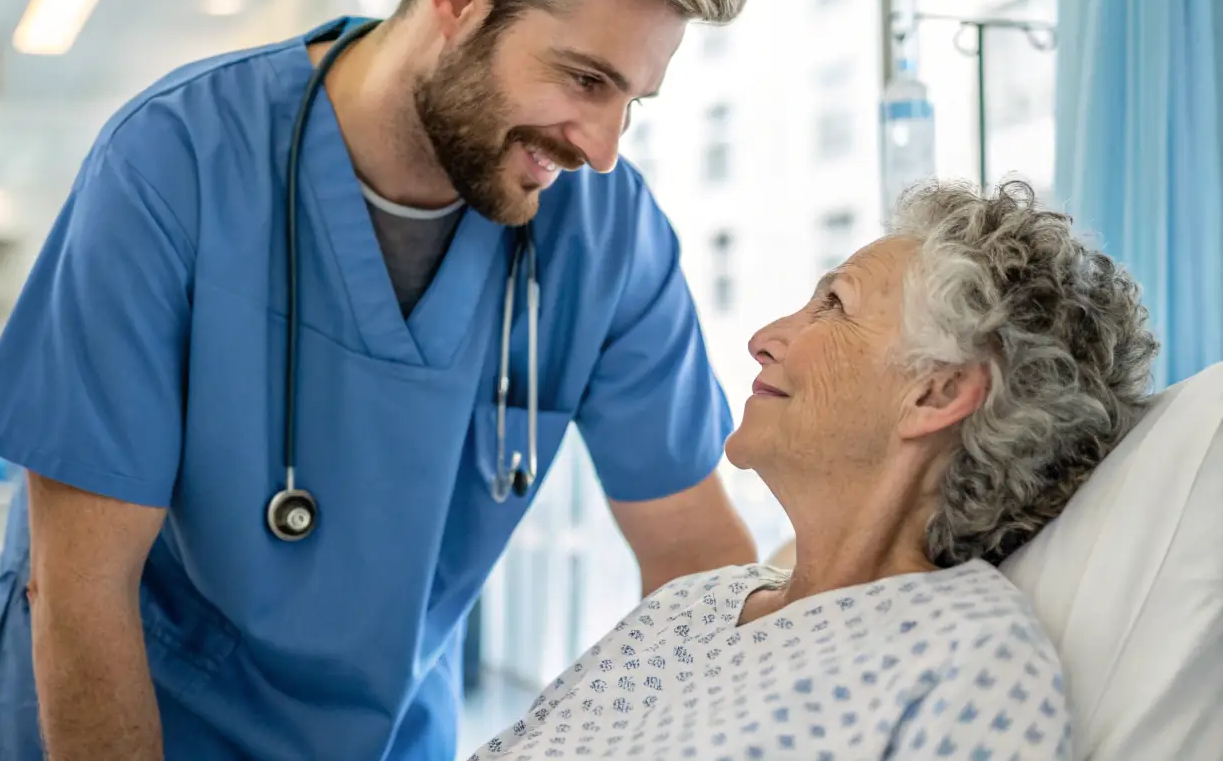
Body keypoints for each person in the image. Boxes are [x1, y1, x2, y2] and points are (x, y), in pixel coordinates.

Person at [0, 0, 758, 761]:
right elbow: (81, 593)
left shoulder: (605, 233)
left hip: (382, 733)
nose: (602, 147)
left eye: (631, 100)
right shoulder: (177, 162)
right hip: (133, 720)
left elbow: (690, 558)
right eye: (584, 79)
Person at [469, 180, 1159, 760]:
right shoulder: (691, 606)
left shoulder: (966, 661)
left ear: (937, 394)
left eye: (832, 304)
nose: (764, 338)